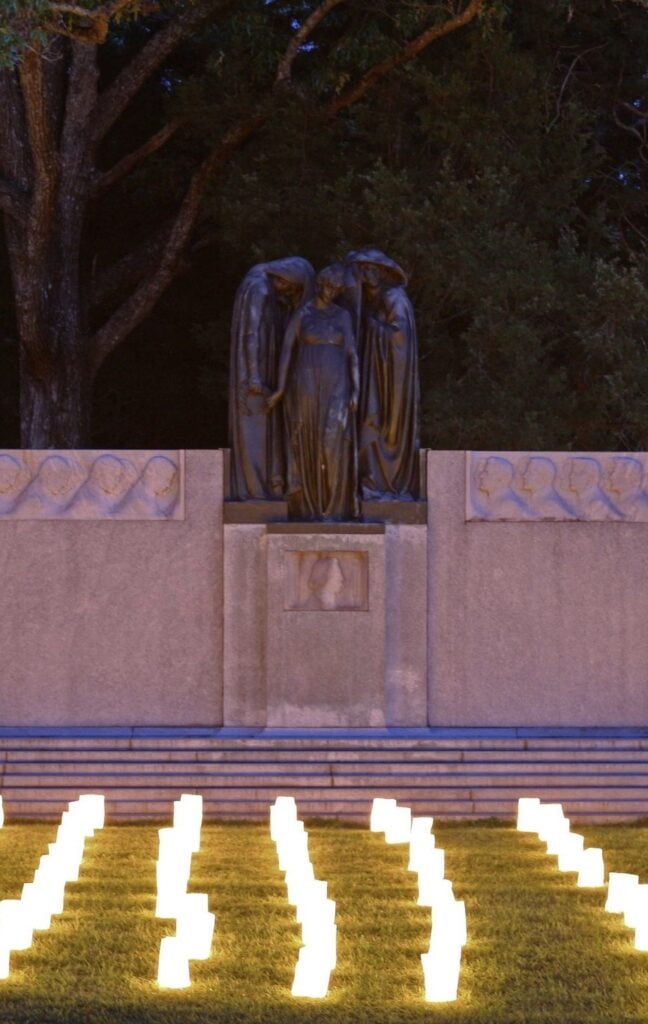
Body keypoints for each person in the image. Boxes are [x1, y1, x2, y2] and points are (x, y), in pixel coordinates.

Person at [267, 264, 359, 521]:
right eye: (329, 286)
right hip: (305, 383)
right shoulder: (303, 313)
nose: (332, 292)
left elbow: (352, 353)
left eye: (337, 289)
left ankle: (333, 507)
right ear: (320, 284)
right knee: (306, 440)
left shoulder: (342, 316)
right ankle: (308, 507)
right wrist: (281, 388)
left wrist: (356, 388)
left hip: (337, 384)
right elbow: (287, 350)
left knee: (332, 443)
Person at [228, 257, 315, 500]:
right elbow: (251, 332)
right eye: (289, 287)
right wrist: (254, 374)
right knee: (257, 427)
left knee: (264, 428)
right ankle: (258, 490)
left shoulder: (257, 285)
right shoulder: (259, 287)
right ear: (284, 278)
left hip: (261, 366)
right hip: (254, 373)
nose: (286, 292)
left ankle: (266, 487)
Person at [344, 249, 420, 500]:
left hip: (389, 377)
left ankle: (384, 483)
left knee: (382, 422)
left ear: (384, 272)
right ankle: (369, 481)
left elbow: (400, 337)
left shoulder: (395, 297)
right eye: (362, 269)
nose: (367, 274)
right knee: (366, 420)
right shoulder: (362, 300)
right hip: (371, 374)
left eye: (373, 269)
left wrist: (371, 325)